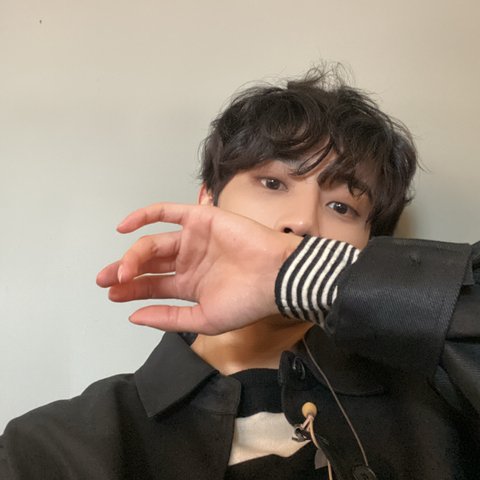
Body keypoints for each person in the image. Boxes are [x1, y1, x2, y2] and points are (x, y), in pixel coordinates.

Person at [1, 67, 479, 480]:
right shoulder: (51, 447)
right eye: (272, 182)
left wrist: (325, 280)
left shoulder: (441, 410)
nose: (302, 222)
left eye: (342, 206)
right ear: (208, 202)